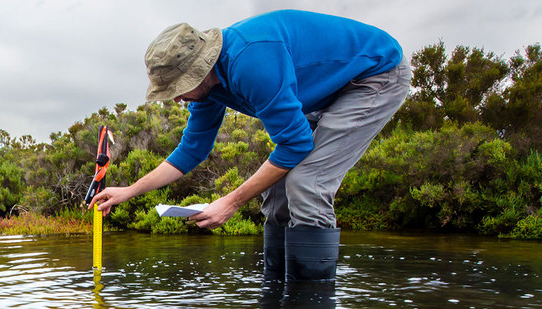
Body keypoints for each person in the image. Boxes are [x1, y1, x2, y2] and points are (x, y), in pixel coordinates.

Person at [92, 10, 411, 283]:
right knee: (275, 190)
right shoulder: (208, 89)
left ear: (201, 70)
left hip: (374, 76)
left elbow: (295, 145)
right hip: (325, 90)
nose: (177, 98)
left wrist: (230, 203)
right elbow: (192, 150)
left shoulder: (252, 62)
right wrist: (129, 191)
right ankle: (275, 298)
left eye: (180, 87)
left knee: (306, 182)